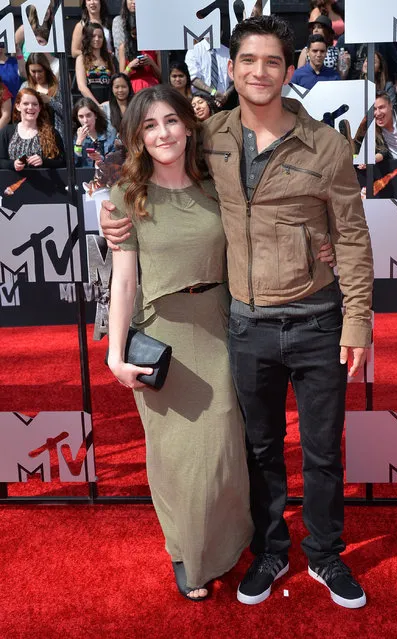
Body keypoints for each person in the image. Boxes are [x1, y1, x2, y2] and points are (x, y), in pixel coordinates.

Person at [100, 15, 372, 610]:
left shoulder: (327, 146)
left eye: (272, 61)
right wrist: (110, 217)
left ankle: (325, 555)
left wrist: (357, 320)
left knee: (323, 451)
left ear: (290, 68)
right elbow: (152, 174)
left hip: (318, 318)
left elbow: (349, 237)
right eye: (248, 60)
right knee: (260, 451)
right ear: (230, 68)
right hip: (245, 324)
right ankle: (271, 551)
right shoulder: (211, 138)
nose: (259, 71)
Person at [106, 85, 253, 601]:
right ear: (138, 138)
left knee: (221, 449)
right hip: (163, 333)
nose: (162, 133)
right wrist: (114, 352)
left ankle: (231, 542)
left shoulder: (218, 187)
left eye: (170, 121)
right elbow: (123, 281)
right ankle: (185, 553)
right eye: (149, 126)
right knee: (174, 457)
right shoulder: (126, 196)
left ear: (188, 127)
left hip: (219, 325)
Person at [0, 88, 64, 169]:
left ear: (39, 108)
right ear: (18, 106)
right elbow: (1, 161)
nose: (30, 107)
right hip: (14, 181)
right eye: (26, 104)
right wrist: (13, 164)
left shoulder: (52, 132)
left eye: (34, 104)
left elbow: (62, 162)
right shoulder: (6, 132)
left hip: (44, 181)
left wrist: (43, 161)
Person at [20, 53, 63, 137]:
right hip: (32, 135)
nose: (37, 75)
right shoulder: (25, 86)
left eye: (40, 71)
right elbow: (18, 112)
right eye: (33, 71)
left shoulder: (57, 87)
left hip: (56, 134)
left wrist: (50, 101)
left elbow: (68, 112)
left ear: (46, 69)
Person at [185, 37, 234, 109]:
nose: (211, 33)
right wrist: (214, 92)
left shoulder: (227, 52)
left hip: (224, 104)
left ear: (221, 33)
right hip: (201, 104)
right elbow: (193, 79)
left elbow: (234, 79)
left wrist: (225, 95)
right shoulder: (194, 51)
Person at [75, 22, 116, 105]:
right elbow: (82, 87)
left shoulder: (108, 58)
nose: (97, 39)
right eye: (93, 36)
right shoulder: (81, 58)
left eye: (100, 36)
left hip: (108, 101)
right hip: (91, 103)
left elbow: (114, 82)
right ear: (88, 38)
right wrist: (97, 105)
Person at [119, 13, 161, 92]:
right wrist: (130, 66)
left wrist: (152, 63)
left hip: (152, 87)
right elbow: (121, 78)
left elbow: (162, 77)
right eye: (134, 34)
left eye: (140, 33)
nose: (138, 37)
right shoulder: (124, 47)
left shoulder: (155, 46)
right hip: (132, 87)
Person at [14, 0, 55, 78]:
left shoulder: (54, 31)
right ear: (34, 10)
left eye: (47, 8)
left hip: (48, 75)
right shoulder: (25, 29)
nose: (45, 11)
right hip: (28, 75)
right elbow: (12, 53)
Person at [73, 97, 116, 167]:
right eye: (81, 117)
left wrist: (101, 159)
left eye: (88, 115)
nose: (85, 120)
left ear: (95, 115)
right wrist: (79, 143)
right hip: (83, 176)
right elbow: (73, 165)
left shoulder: (110, 134)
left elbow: (116, 162)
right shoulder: (75, 137)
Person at [101, 72, 133, 137]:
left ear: (129, 88)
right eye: (117, 87)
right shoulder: (105, 107)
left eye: (124, 87)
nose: (120, 90)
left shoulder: (136, 105)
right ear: (112, 89)